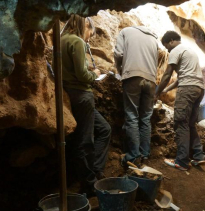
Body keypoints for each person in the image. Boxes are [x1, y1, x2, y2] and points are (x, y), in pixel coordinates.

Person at [61, 14, 111, 194]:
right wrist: (95, 74)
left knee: (104, 129)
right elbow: (82, 75)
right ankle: (89, 184)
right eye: (91, 31)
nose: (90, 36)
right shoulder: (77, 42)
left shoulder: (61, 40)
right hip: (82, 94)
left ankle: (95, 170)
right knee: (86, 141)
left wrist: (85, 70)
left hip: (69, 93)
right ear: (85, 26)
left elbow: (70, 69)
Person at [156, 31, 205, 171]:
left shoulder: (175, 50)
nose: (167, 50)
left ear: (171, 41)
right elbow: (181, 77)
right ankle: (198, 155)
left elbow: (167, 74)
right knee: (190, 123)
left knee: (180, 122)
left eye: (167, 47)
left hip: (187, 90)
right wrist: (167, 89)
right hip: (199, 89)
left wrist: (157, 92)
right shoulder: (190, 51)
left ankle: (182, 161)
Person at [114, 26, 159, 167]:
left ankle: (133, 156)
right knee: (145, 118)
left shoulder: (125, 31)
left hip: (133, 76)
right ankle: (145, 155)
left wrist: (119, 69)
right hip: (151, 79)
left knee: (132, 116)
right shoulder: (153, 38)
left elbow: (118, 54)